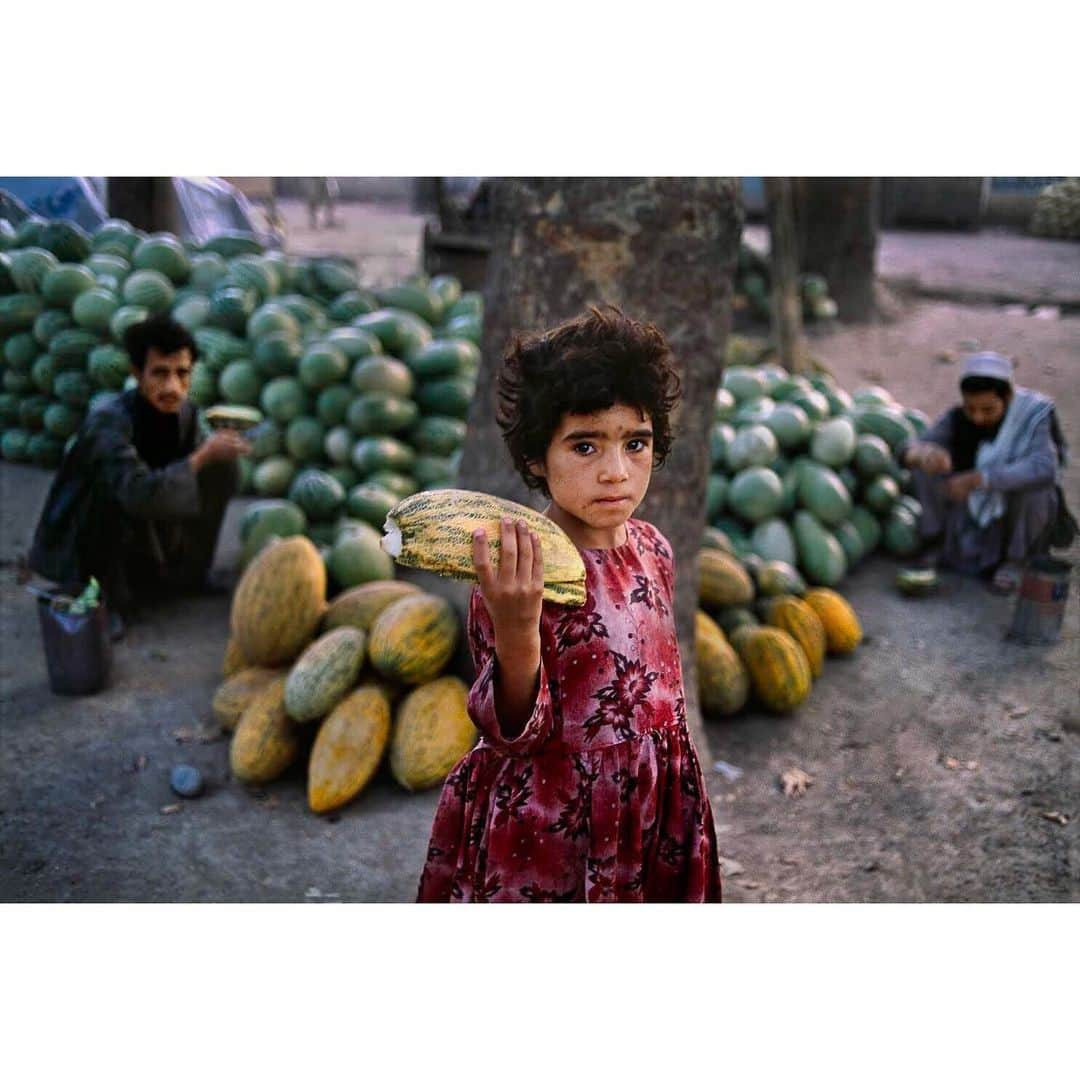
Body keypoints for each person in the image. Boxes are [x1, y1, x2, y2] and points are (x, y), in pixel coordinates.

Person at [417, 306, 722, 903]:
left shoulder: (653, 548)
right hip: (556, 823)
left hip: (651, 805)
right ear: (537, 456)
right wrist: (517, 626)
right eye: (585, 446)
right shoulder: (519, 569)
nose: (616, 472)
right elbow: (512, 733)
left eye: (635, 443)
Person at [28, 315, 250, 640]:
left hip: (141, 526)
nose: (172, 387)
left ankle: (187, 574)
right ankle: (104, 598)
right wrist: (201, 456)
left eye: (182, 373)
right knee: (115, 488)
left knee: (221, 469)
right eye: (160, 373)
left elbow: (177, 481)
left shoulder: (185, 413)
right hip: (83, 540)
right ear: (137, 374)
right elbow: (136, 493)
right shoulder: (108, 421)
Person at [898, 351, 1071, 594]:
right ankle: (934, 544)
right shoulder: (957, 418)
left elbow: (1045, 466)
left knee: (1040, 491)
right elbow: (910, 448)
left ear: (1008, 397)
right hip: (969, 515)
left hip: (1014, 517)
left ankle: (1015, 562)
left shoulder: (1032, 415)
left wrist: (982, 479)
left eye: (988, 410)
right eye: (971, 409)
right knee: (924, 471)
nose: (978, 417)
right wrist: (921, 455)